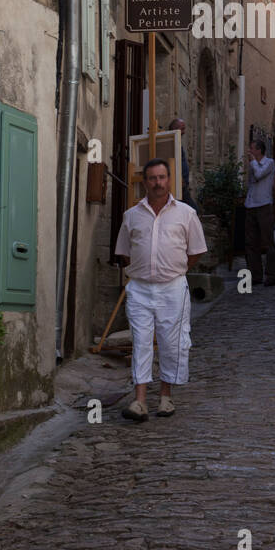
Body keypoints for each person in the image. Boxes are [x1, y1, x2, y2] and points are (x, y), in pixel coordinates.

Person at [114, 158, 207, 422]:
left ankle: (165, 397)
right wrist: (146, 270)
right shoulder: (131, 216)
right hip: (140, 289)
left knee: (172, 343)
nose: (158, 183)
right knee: (141, 342)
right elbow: (124, 253)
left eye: (162, 177)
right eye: (152, 178)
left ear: (169, 180)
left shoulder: (186, 214)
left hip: (173, 288)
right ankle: (140, 401)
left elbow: (196, 251)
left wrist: (175, 269)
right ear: (145, 182)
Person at [244, 139, 275, 287]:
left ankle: (271, 275)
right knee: (251, 242)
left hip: (264, 205)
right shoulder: (254, 165)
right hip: (251, 204)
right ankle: (255, 275)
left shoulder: (269, 163)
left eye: (252, 149)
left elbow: (258, 175)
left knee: (267, 241)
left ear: (259, 150)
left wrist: (252, 162)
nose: (249, 151)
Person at [168, 117, 196, 209]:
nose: (184, 132)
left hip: (182, 185)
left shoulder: (177, 142)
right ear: (175, 128)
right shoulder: (169, 143)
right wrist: (179, 178)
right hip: (178, 185)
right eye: (182, 128)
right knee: (193, 209)